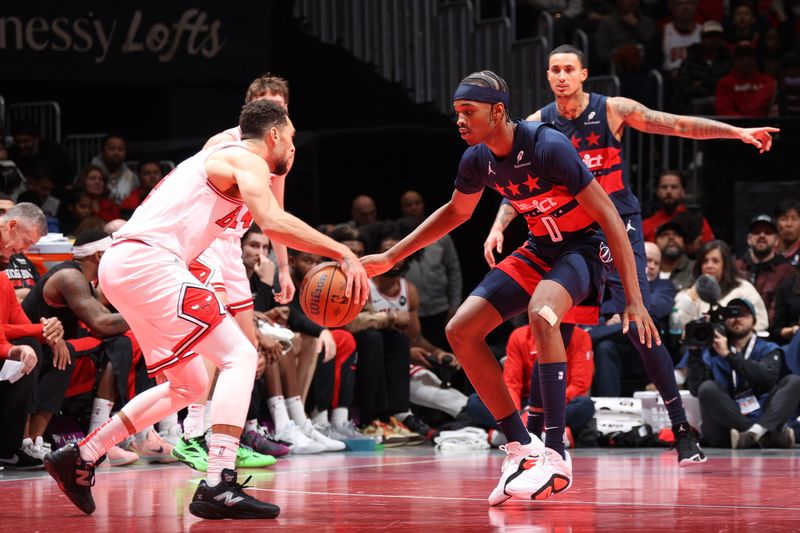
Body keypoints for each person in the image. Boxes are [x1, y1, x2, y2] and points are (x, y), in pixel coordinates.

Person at [43, 99, 368, 519]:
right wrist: (340, 249)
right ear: (272, 136)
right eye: (289, 139)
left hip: (131, 266)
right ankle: (219, 480)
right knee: (240, 355)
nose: (292, 148)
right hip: (148, 262)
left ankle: (82, 455)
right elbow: (272, 220)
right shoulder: (245, 158)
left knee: (189, 384)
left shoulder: (219, 154)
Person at [362, 70, 659, 504]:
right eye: (456, 112)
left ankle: (556, 453)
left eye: (468, 112)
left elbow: (612, 218)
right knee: (460, 330)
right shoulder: (476, 159)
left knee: (541, 312)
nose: (459, 120)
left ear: (497, 111)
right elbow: (455, 213)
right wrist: (391, 258)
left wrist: (634, 298)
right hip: (540, 247)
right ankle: (521, 448)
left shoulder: (547, 146)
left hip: (586, 248)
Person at [498, 43, 774, 464]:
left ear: (584, 74)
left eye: (569, 69)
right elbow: (515, 179)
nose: (561, 77)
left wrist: (735, 132)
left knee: (637, 321)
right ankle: (537, 435)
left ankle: (682, 428)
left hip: (617, 224)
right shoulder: (538, 124)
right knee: (552, 327)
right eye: (554, 69)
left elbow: (679, 125)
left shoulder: (613, 110)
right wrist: (500, 223)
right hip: (573, 230)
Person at [174, 74, 298, 467]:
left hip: (231, 248)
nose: (275, 109)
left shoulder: (281, 154)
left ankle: (225, 435)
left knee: (246, 351)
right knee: (219, 340)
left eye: (281, 103)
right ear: (251, 109)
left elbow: (275, 215)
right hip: (206, 243)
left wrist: (284, 268)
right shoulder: (224, 143)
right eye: (267, 102)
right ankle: (192, 434)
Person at [679, 298, 799, 448]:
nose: (737, 318)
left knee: (794, 381)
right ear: (724, 321)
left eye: (743, 314)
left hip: (763, 415)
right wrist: (694, 352)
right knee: (707, 387)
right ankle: (763, 436)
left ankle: (755, 433)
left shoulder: (768, 348)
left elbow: (766, 377)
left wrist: (728, 355)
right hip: (728, 424)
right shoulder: (712, 351)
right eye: (731, 314)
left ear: (754, 321)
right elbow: (697, 390)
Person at [674, 240, 769, 332]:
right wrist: (693, 295)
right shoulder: (690, 292)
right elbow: (677, 324)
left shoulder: (744, 290)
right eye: (705, 261)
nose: (709, 266)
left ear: (725, 265)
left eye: (715, 261)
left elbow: (762, 322)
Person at [735, 214, 798, 325]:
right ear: (749, 239)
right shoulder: (735, 268)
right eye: (757, 232)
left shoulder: (787, 271)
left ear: (777, 240)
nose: (762, 235)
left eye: (768, 232)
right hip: (736, 329)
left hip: (770, 335)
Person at [642, 170, 714, 244]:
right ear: (657, 192)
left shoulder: (699, 223)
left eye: (674, 187)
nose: (669, 191)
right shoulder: (645, 225)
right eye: (664, 187)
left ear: (683, 192)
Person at [715, 41, 777, 117]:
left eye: (750, 57)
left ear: (756, 59)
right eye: (741, 58)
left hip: (763, 125)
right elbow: (724, 111)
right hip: (736, 126)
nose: (746, 61)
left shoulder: (768, 82)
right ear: (734, 60)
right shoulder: (724, 83)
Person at [89, 134, 138, 204]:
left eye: (120, 149)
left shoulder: (131, 177)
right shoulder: (88, 174)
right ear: (102, 151)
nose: (116, 152)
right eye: (111, 149)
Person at [655, 220, 695, 291]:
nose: (671, 237)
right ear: (656, 241)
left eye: (676, 234)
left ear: (683, 241)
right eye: (665, 234)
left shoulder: (695, 269)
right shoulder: (647, 269)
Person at [775, 198, 800, 266]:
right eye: (784, 219)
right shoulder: (767, 249)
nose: (789, 224)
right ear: (776, 222)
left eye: (794, 219)